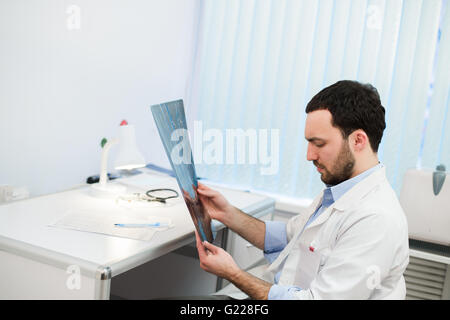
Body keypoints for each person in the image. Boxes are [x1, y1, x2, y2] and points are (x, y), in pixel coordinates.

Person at [194, 80, 410, 300]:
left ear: (358, 140)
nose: (309, 155)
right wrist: (226, 213)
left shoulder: (376, 220)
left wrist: (232, 273)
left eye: (319, 144)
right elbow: (287, 237)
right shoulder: (340, 190)